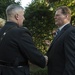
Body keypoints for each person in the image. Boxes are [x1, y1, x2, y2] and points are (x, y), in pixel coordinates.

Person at [0, 4, 48, 75]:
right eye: (23, 15)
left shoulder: (1, 31)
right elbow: (33, 54)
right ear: (17, 16)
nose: (24, 18)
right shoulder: (20, 32)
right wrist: (44, 60)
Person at [47, 6, 75, 75]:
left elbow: (72, 60)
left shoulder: (70, 32)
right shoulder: (60, 32)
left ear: (66, 16)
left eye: (57, 15)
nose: (54, 17)